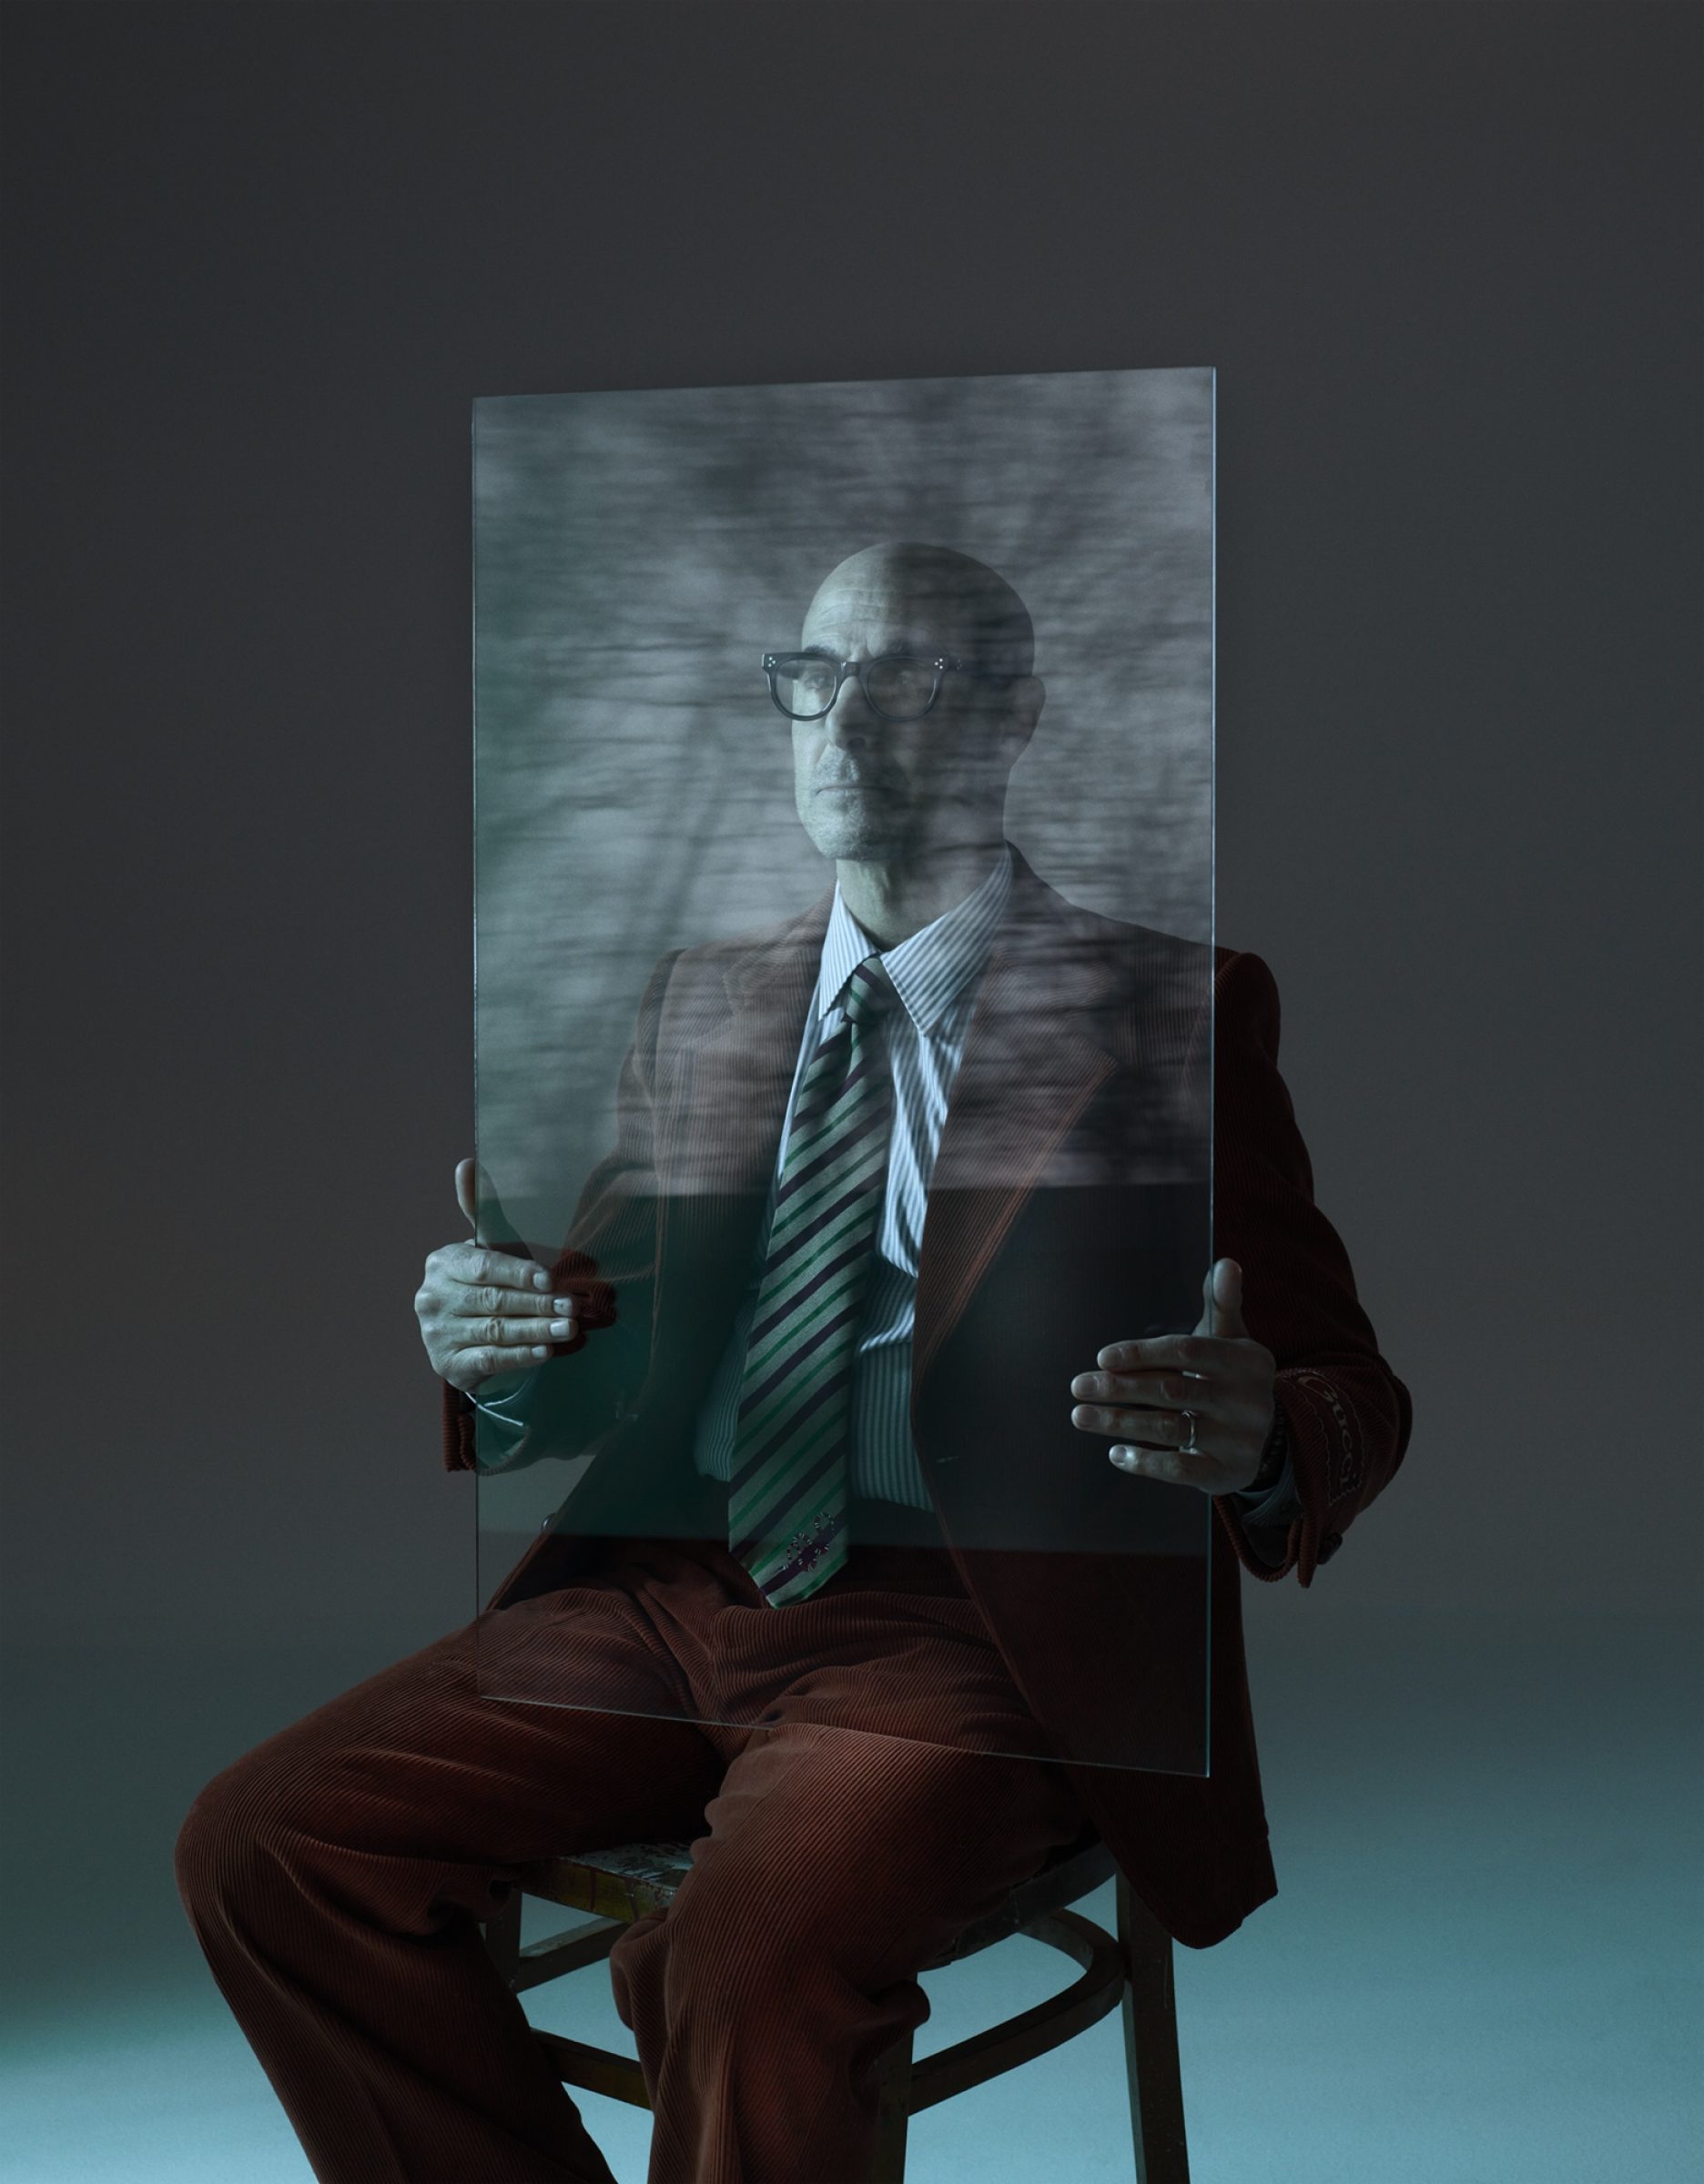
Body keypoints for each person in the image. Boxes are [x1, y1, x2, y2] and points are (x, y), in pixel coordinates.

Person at [176, 542, 1411, 2184]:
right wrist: (500, 1349)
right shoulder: (714, 1002)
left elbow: (1347, 1389)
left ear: (1017, 718)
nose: (848, 723)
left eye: (908, 680)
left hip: (974, 1640)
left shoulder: (1168, 1012)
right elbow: (605, 1345)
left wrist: (1265, 1435)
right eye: (815, 678)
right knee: (269, 1845)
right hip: (675, 1594)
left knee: (745, 1960)